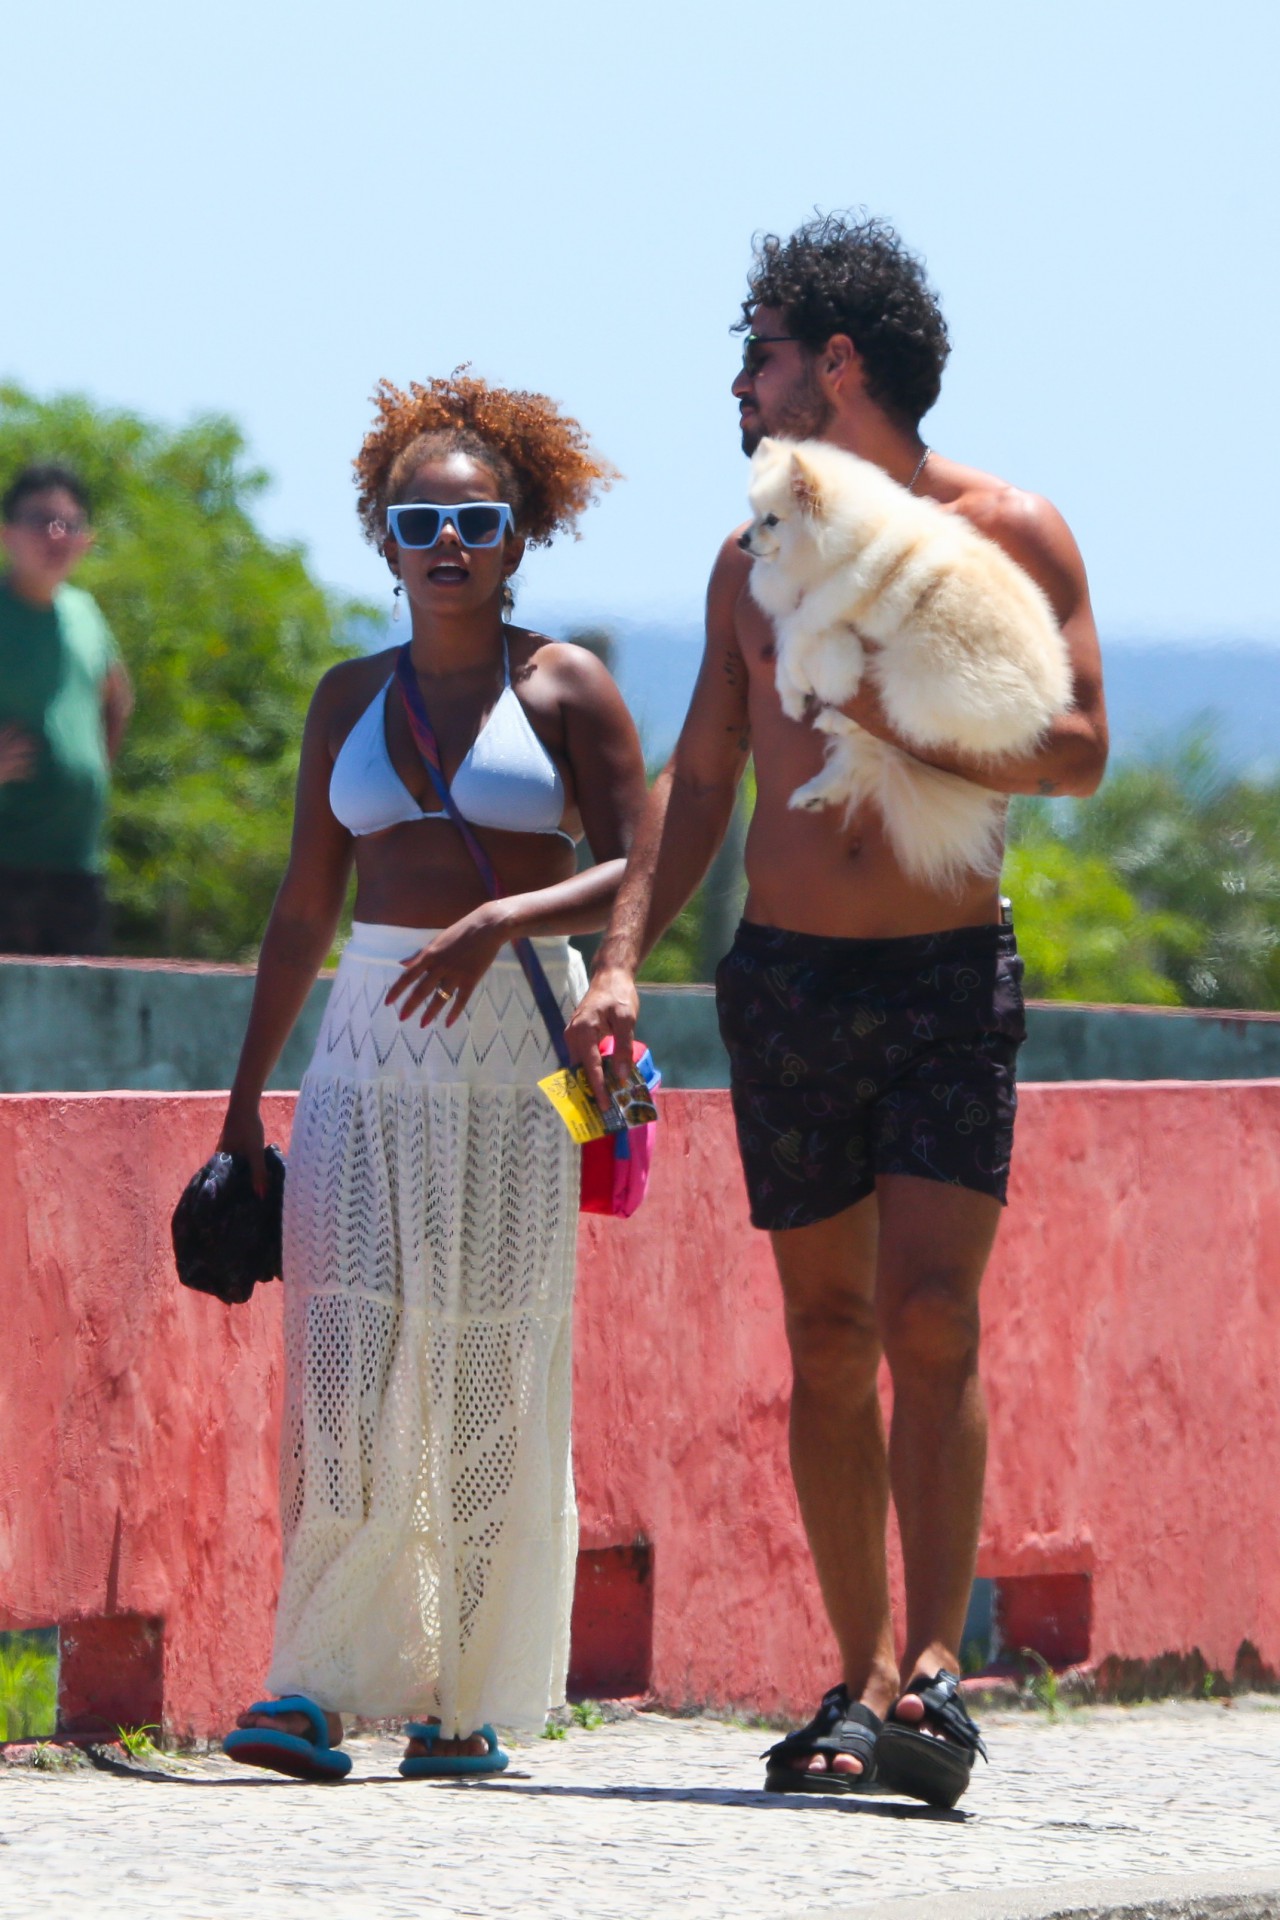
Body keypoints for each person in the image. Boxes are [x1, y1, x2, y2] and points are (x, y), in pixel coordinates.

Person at [567, 214, 1108, 1806]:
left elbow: (1077, 749)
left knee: (936, 1319)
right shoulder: (748, 562)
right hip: (788, 981)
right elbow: (707, 777)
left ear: (838, 363)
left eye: (762, 355)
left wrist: (898, 716)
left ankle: (936, 1679)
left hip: (946, 977)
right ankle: (858, 1679)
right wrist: (618, 957)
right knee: (826, 1337)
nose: (741, 388)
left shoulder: (1010, 528)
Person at [217, 373, 647, 1780]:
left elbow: (648, 870)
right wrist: (241, 1108)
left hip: (515, 1057)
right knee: (345, 1364)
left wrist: (504, 920)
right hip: (363, 1057)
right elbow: (300, 910)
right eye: (420, 521)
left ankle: (466, 1702)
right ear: (384, 541)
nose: (448, 543)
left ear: (520, 537)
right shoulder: (348, 695)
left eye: (476, 519)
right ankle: (314, 1680)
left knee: (488, 1370)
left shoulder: (566, 683)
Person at [0, 464, 133, 954]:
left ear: (87, 539)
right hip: (6, 865)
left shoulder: (84, 612)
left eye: (70, 524)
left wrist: (89, 770)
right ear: (6, 534)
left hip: (77, 869)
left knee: (81, 1023)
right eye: (40, 520)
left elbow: (117, 698)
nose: (56, 535)